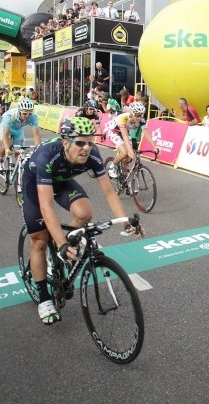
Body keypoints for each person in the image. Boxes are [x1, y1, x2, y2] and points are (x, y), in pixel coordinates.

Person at [21, 117, 139, 324]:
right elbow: (46, 205)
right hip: (35, 184)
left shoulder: (92, 155)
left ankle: (64, 247)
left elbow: (110, 193)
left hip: (62, 181)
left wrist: (125, 222)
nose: (86, 148)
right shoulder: (47, 157)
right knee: (39, 240)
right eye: (80, 142)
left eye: (90, 142)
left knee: (84, 214)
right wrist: (60, 243)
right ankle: (43, 297)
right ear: (65, 142)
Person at [104, 102, 156, 181]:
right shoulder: (123, 118)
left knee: (127, 159)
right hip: (114, 132)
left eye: (141, 115)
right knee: (125, 152)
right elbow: (124, 136)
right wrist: (129, 150)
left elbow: (146, 133)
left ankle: (126, 180)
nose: (140, 118)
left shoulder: (141, 119)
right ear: (131, 113)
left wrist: (154, 147)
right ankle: (112, 167)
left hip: (125, 132)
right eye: (137, 115)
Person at [0, 98, 42, 170]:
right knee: (8, 145)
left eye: (29, 113)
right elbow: (5, 135)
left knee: (20, 151)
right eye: (24, 113)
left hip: (18, 130)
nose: (27, 115)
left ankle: (19, 170)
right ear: (19, 111)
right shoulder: (10, 115)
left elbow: (36, 135)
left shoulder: (33, 117)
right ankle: (0, 160)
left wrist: (39, 150)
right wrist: (7, 149)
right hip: (7, 129)